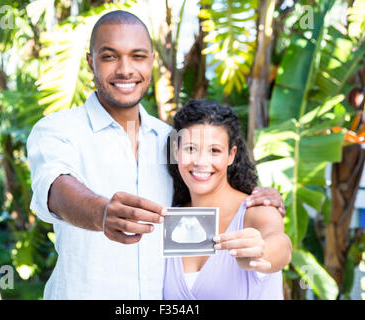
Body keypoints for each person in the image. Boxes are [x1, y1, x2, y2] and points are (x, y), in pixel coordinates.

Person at [26, 10, 286, 299]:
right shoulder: (58, 130)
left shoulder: (173, 141)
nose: (125, 69)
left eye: (137, 56)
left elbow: (210, 193)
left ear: (151, 60)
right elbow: (56, 190)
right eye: (110, 56)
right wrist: (102, 213)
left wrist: (259, 198)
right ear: (91, 62)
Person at [163, 100, 292, 299]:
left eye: (214, 150)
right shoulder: (170, 217)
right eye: (190, 149)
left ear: (231, 155)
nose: (200, 162)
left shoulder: (257, 209)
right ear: (175, 151)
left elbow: (281, 245)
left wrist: (261, 252)